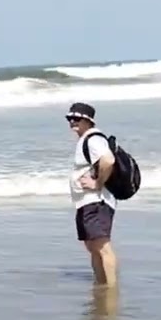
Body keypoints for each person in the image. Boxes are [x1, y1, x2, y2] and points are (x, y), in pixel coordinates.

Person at [66, 102, 118, 287]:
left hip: (97, 202)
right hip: (87, 202)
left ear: (88, 120)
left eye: (77, 118)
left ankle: (110, 289)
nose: (73, 122)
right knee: (92, 246)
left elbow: (108, 160)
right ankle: (101, 284)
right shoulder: (86, 139)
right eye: (69, 118)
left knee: (101, 246)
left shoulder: (93, 138)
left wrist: (97, 183)